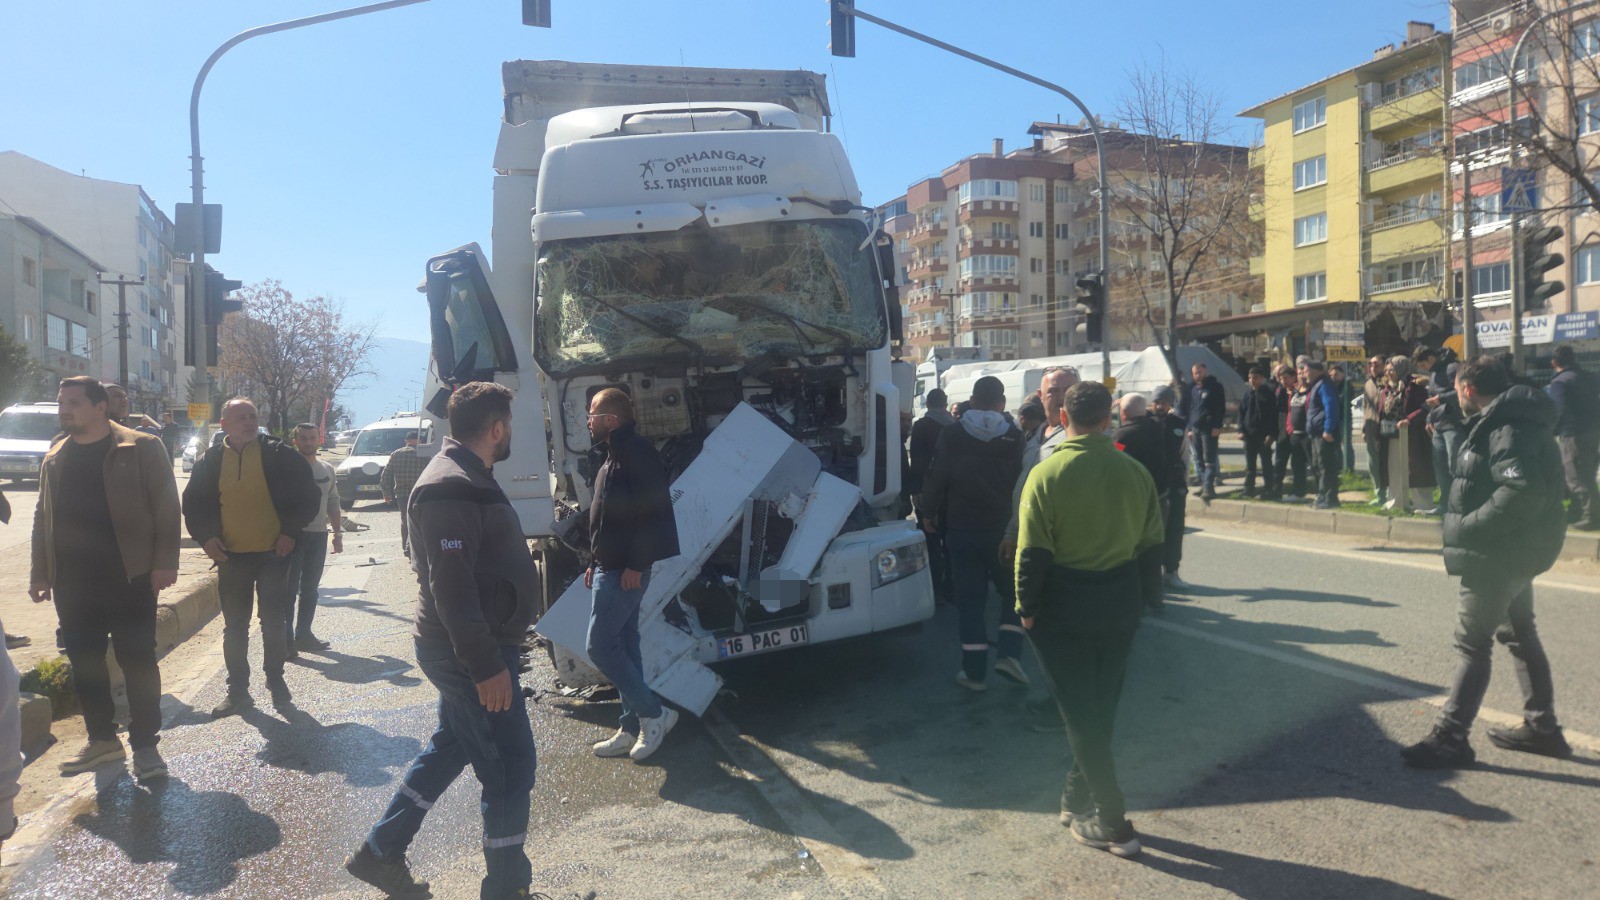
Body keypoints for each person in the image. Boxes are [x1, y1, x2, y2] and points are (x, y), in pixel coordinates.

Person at [349, 382, 540, 900]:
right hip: (469, 654)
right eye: (510, 426)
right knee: (510, 766)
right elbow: (451, 587)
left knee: (449, 748)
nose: (510, 435)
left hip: (470, 649)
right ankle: (507, 890)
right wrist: (484, 665)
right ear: (497, 428)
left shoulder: (467, 476)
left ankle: (380, 853)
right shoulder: (449, 485)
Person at [1016, 380, 1164, 858]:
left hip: (1063, 606)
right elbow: (1150, 547)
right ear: (1109, 419)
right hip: (1120, 602)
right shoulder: (1135, 472)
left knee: (1080, 713)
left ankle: (1114, 821)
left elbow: (1032, 553)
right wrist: (1146, 602)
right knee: (1099, 706)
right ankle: (1074, 798)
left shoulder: (1047, 473)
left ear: (1062, 418)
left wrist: (1026, 608)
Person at [1402, 358, 1572, 768]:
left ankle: (1451, 738)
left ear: (1466, 389)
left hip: (1497, 553)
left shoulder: (1505, 427)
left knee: (1472, 644)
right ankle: (1543, 727)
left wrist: (1470, 527)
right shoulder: (1514, 419)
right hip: (1517, 549)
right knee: (1518, 632)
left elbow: (1522, 491)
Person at [28, 376, 179, 780]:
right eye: (62, 402)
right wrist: (40, 572)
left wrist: (166, 561)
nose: (65, 409)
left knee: (137, 660)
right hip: (72, 582)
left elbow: (166, 506)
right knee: (85, 663)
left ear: (100, 407)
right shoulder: (56, 455)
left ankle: (146, 745)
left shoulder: (140, 446)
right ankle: (102, 741)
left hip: (128, 576)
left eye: (74, 402)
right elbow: (43, 516)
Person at [183, 398, 321, 716]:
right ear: (224, 422)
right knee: (235, 627)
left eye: (253, 416)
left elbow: (308, 496)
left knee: (273, 622)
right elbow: (193, 504)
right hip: (231, 558)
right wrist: (205, 539)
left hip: (275, 554)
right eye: (241, 417)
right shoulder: (212, 460)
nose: (248, 422)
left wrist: (289, 532)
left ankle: (275, 679)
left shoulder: (279, 455)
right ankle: (238, 692)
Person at [583, 387, 683, 761]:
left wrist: (637, 565)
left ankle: (654, 714)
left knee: (600, 646)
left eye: (592, 414)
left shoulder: (636, 452)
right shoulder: (613, 456)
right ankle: (630, 727)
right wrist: (593, 560)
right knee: (625, 644)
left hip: (626, 570)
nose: (588, 421)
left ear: (610, 420)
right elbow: (610, 518)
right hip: (609, 567)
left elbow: (652, 512)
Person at [920, 375, 1027, 692]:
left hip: (962, 529)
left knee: (970, 601)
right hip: (1002, 531)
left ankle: (974, 673)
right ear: (1000, 402)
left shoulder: (952, 433)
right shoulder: (1014, 436)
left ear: (972, 399)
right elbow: (1022, 483)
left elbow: (937, 477)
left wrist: (928, 513)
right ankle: (1009, 653)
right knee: (1012, 594)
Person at [1003, 367, 1078, 564]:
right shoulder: (1035, 437)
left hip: (1062, 546)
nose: (1061, 397)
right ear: (1040, 395)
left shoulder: (1081, 437)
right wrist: (1012, 532)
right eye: (1053, 390)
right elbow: (1023, 489)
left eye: (1068, 390)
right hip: (1030, 539)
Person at [286, 423, 344, 656]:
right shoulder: (287, 469)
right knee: (288, 591)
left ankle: (304, 635)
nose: (308, 443)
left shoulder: (327, 469)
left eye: (312, 438)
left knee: (310, 589)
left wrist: (337, 534)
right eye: (303, 439)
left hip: (319, 535)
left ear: (319, 440)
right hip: (291, 537)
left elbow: (333, 502)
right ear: (295, 441)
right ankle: (286, 641)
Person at [1112, 393, 1169, 611]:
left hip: (1134, 502)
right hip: (1161, 497)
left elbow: (1114, 463)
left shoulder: (1122, 436)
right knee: (1154, 548)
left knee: (1133, 550)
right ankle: (1155, 595)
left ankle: (1136, 599)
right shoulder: (1159, 427)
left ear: (1123, 413)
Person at [909, 389, 956, 603]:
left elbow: (917, 461)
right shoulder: (956, 425)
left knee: (931, 540)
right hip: (952, 492)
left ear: (927, 404)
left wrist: (916, 490)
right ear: (945, 404)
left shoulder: (921, 426)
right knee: (950, 541)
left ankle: (934, 586)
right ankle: (951, 587)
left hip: (928, 491)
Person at [1546, 345, 1600, 530]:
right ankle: (1578, 512)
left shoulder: (1560, 383)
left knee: (1577, 477)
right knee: (1587, 474)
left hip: (1573, 434)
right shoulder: (1591, 377)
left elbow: (1558, 411)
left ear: (1554, 363)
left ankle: (1591, 516)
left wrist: (1552, 430)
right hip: (1594, 431)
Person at [1378, 356, 1433, 512]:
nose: (1388, 373)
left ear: (1402, 369)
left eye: (1392, 370)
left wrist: (1409, 420)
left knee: (1417, 470)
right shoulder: (1387, 388)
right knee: (1394, 468)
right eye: (1387, 370)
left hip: (1413, 436)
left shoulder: (1414, 387)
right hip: (1391, 435)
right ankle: (1396, 502)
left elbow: (1425, 408)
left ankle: (1423, 504)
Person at [1150, 385, 1191, 589]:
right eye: (1156, 401)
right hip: (1152, 486)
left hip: (1175, 485)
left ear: (1170, 404)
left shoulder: (1178, 425)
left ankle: (1171, 571)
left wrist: (1185, 482)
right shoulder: (1144, 424)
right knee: (1151, 531)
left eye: (1163, 402)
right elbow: (1121, 446)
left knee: (1174, 528)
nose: (1159, 405)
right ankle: (1151, 572)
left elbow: (1185, 455)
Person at [1425, 357, 1464, 516]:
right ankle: (1445, 504)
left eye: (1423, 363)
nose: (1423, 367)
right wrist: (1430, 419)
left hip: (1454, 424)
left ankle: (1461, 503)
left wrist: (1441, 399)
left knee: (1455, 465)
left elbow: (1461, 391)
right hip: (1438, 426)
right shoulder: (1433, 375)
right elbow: (1430, 401)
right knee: (1440, 467)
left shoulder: (1453, 368)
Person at [1182, 363, 1225, 500]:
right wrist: (1188, 428)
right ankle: (1203, 483)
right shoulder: (1192, 389)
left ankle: (1209, 487)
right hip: (1195, 429)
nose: (1197, 375)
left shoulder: (1215, 387)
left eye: (1200, 372)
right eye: (1195, 373)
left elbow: (1220, 407)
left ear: (1205, 371)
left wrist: (1217, 426)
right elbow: (1188, 409)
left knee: (1209, 459)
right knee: (1199, 459)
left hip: (1209, 429)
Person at [1303, 360, 1342, 509]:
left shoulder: (1324, 385)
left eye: (1306, 371)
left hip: (1324, 433)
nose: (1304, 375)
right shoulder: (1316, 386)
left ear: (1314, 371)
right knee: (1317, 465)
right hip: (1315, 432)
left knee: (1326, 466)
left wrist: (1328, 429)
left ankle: (1330, 499)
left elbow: (1331, 407)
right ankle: (1322, 496)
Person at [382, 431, 427, 558]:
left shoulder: (396, 454)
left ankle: (406, 547)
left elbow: (385, 476)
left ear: (406, 441)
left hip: (402, 494)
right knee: (420, 520)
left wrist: (386, 493)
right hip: (421, 492)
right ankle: (415, 548)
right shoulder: (424, 454)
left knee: (405, 519)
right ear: (420, 441)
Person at [1237, 365, 1278, 499]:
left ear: (1261, 378)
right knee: (1250, 465)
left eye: (1255, 377)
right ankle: (1249, 489)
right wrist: (1241, 430)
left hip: (1263, 435)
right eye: (1250, 378)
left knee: (1266, 464)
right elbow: (1241, 414)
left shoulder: (1268, 394)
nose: (1252, 380)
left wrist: (1271, 434)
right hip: (1249, 434)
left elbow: (1273, 415)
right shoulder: (1247, 394)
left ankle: (1269, 489)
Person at [1361, 355, 1387, 505]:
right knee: (1373, 463)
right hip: (1371, 428)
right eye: (1371, 364)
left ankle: (1391, 494)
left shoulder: (1388, 382)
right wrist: (1364, 428)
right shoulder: (1368, 383)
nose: (1373, 367)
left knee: (1387, 463)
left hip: (1386, 429)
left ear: (1383, 365)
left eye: (1376, 364)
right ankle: (1379, 494)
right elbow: (1366, 407)